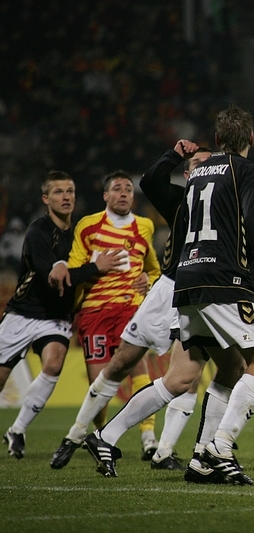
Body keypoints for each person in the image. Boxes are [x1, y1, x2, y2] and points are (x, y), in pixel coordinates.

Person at [84, 104, 254, 485]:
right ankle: (220, 447)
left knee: (193, 375)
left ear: (216, 139)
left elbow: (162, 191)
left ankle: (116, 438)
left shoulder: (197, 175)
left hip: (187, 280)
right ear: (251, 138)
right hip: (223, 281)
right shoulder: (248, 171)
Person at [49, 142, 212, 471]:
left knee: (188, 375)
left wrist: (146, 278)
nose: (206, 170)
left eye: (211, 165)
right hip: (159, 294)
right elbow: (151, 181)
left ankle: (160, 449)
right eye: (198, 165)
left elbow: (150, 264)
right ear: (186, 174)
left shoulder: (220, 203)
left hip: (194, 294)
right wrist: (174, 154)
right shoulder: (179, 200)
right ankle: (78, 435)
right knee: (122, 364)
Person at [1, 172, 122, 459]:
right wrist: (95, 268)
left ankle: (17, 430)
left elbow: (94, 269)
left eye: (70, 191)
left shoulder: (80, 233)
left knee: (54, 363)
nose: (66, 197)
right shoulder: (38, 232)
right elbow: (56, 278)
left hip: (56, 318)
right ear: (46, 199)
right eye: (58, 192)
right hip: (22, 314)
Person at [56, 171, 161, 461]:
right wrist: (96, 267)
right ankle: (101, 436)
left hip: (131, 309)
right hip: (95, 312)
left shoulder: (144, 227)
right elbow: (73, 272)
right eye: (117, 188)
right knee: (100, 385)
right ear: (105, 195)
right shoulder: (88, 226)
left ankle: (149, 438)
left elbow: (154, 269)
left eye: (128, 189)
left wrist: (148, 279)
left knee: (140, 371)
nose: (124, 193)